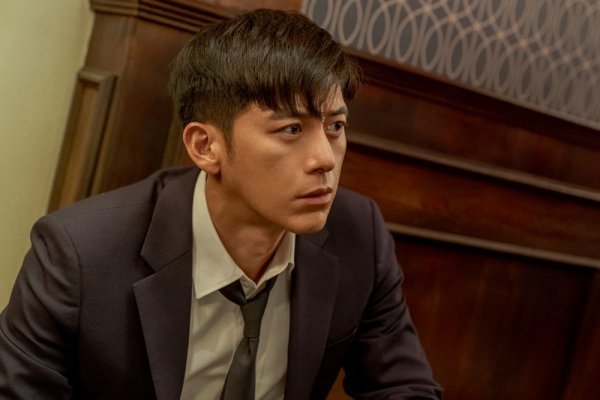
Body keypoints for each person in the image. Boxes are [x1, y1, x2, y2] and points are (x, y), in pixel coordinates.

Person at [0, 8, 442, 400]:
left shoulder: (358, 233)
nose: (325, 159)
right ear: (205, 146)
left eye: (335, 126)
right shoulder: (80, 253)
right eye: (291, 129)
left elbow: (404, 386)